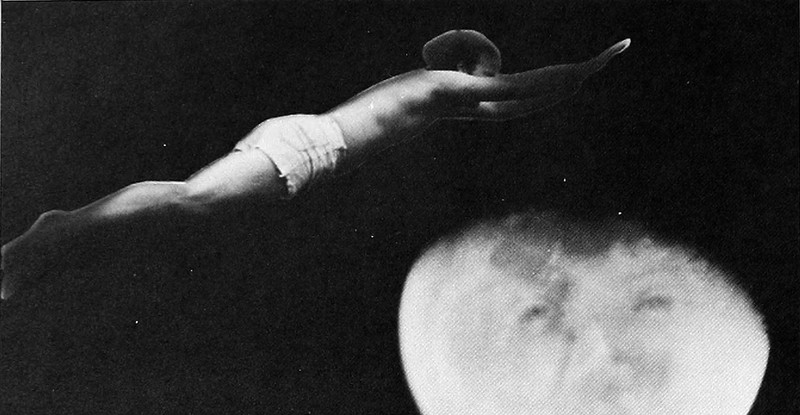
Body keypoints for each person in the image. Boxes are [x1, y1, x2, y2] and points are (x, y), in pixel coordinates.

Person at [0, 32, 630, 299]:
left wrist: (576, 84)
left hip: (308, 147)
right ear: (467, 66)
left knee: (190, 211)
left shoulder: (433, 97)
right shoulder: (439, 83)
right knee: (190, 199)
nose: (486, 83)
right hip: (312, 146)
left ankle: (62, 243)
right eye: (485, 71)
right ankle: (58, 228)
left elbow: (512, 107)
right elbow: (518, 88)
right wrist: (587, 66)